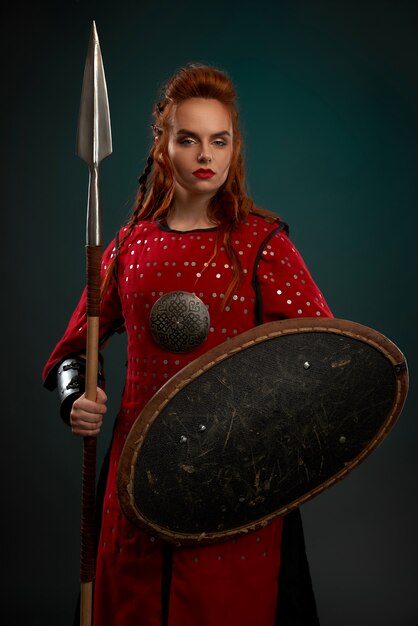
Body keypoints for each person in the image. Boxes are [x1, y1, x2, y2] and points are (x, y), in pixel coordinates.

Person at [43, 63, 333, 626]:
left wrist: (266, 434)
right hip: (135, 472)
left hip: (235, 477)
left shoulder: (261, 243)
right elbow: (72, 351)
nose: (206, 154)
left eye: (219, 140)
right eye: (189, 139)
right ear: (163, 147)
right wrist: (78, 395)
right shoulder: (129, 245)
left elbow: (323, 358)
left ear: (233, 149)